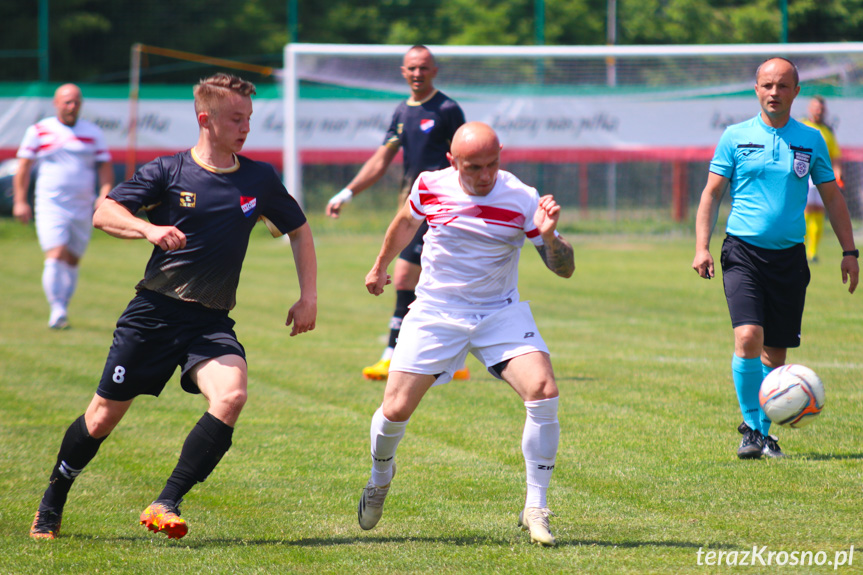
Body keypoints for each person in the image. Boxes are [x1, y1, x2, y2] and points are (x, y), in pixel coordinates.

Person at [29, 73, 318, 540]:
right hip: (153, 315)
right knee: (101, 418)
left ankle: (166, 501)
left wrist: (309, 296)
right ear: (206, 120)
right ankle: (53, 498)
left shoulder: (259, 178)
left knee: (232, 395)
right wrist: (147, 229)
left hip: (209, 321)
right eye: (235, 118)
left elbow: (299, 230)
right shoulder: (169, 170)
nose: (245, 127)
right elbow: (104, 211)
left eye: (248, 118)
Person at [356, 122, 574, 546]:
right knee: (395, 408)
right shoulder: (430, 185)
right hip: (437, 310)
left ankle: (536, 506)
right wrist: (380, 264)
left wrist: (549, 237)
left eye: (492, 164)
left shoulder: (523, 198)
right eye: (473, 167)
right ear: (453, 162)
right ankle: (380, 477)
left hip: (499, 312)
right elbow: (405, 222)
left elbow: (563, 268)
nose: (484, 175)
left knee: (543, 390)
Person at [692, 57, 858, 460]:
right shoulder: (734, 136)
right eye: (767, 85)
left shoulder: (812, 139)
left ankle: (765, 435)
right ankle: (750, 427)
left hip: (789, 258)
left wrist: (849, 251)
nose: (774, 93)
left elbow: (833, 197)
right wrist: (702, 246)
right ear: (756, 90)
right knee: (748, 336)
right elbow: (712, 194)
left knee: (777, 354)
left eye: (783, 86)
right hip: (742, 252)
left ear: (796, 92)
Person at [325, 44, 467, 381]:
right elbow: (380, 160)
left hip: (442, 208)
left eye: (423, 67)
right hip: (414, 206)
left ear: (434, 71)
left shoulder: (448, 109)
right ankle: (451, 361)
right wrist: (347, 192)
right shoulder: (403, 113)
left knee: (407, 277)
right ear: (403, 72)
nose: (417, 73)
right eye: (411, 68)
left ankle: (395, 355)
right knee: (430, 280)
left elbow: (465, 157)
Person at [13, 83, 115, 329]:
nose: (72, 106)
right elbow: (24, 167)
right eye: (67, 101)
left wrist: (104, 194)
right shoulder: (39, 130)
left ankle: (62, 307)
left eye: (76, 101)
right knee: (56, 253)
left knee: (72, 259)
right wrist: (19, 200)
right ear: (56, 103)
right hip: (50, 203)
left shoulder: (92, 132)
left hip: (82, 205)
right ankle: (56, 308)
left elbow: (105, 167)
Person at [801, 95, 844, 263]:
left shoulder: (827, 132)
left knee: (818, 212)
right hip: (803, 175)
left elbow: (836, 156)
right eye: (816, 107)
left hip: (821, 177)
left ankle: (812, 253)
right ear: (810, 109)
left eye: (821, 108)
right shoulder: (801, 125)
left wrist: (838, 173)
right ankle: (800, 248)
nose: (819, 111)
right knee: (805, 211)